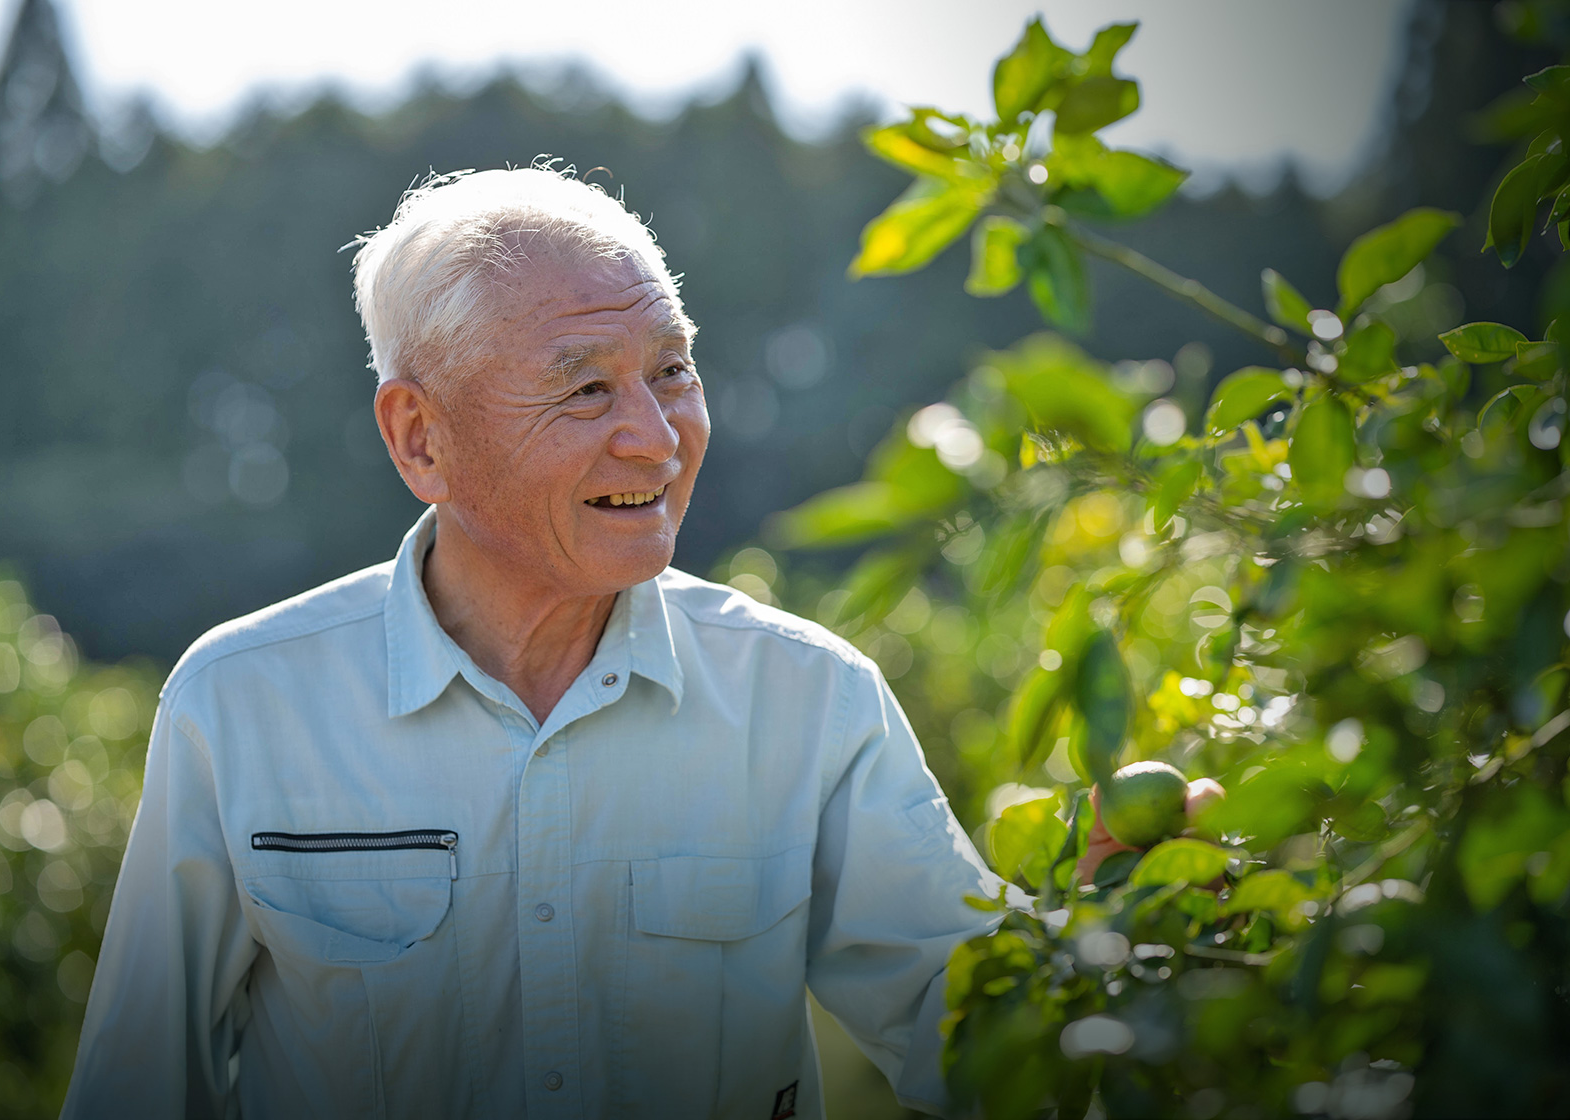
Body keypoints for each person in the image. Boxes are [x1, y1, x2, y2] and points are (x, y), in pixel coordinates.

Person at [59, 164, 1126, 1120]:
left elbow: (985, 1049)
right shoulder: (241, 706)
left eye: (672, 371)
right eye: (585, 389)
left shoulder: (808, 699)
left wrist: (1098, 939)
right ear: (419, 437)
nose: (657, 439)